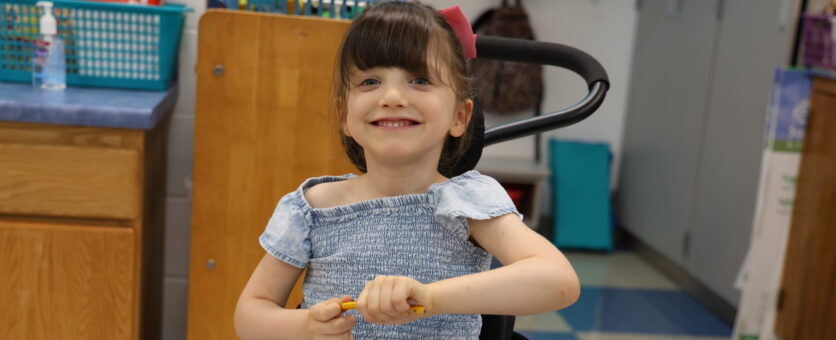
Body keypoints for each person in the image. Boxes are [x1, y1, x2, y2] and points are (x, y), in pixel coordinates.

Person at [234, 1, 579, 339]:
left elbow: (559, 282)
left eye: (420, 80)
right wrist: (305, 327)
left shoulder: (469, 203)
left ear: (460, 116)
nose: (393, 96)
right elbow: (250, 314)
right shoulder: (312, 209)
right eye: (370, 82)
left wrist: (432, 298)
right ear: (345, 117)